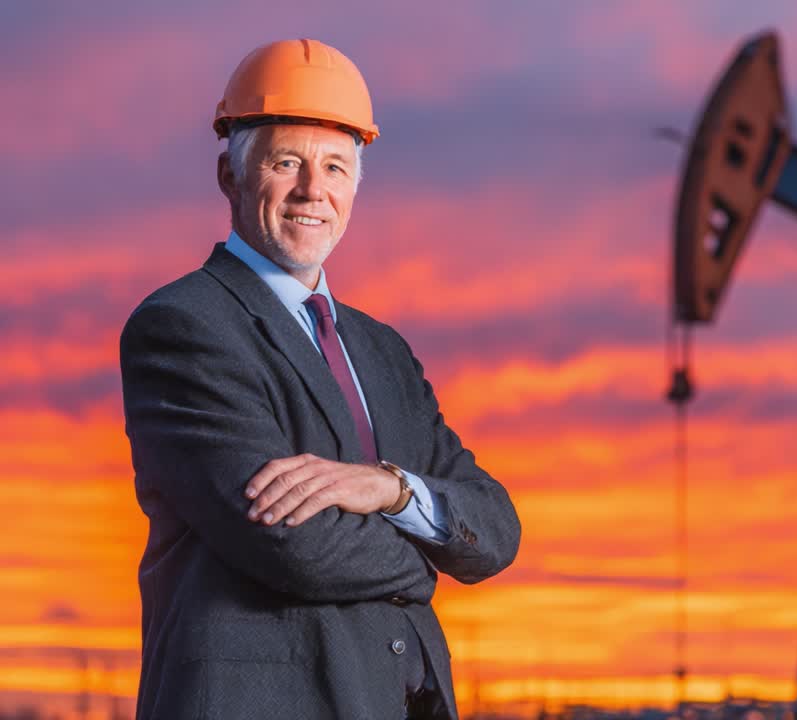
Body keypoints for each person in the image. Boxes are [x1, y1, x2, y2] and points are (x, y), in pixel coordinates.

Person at [119, 39, 520, 719]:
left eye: (336, 166)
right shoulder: (184, 327)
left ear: (355, 186)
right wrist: (426, 553)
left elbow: (495, 528)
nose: (313, 190)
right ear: (231, 177)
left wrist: (390, 490)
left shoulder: (382, 351)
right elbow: (295, 547)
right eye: (286, 163)